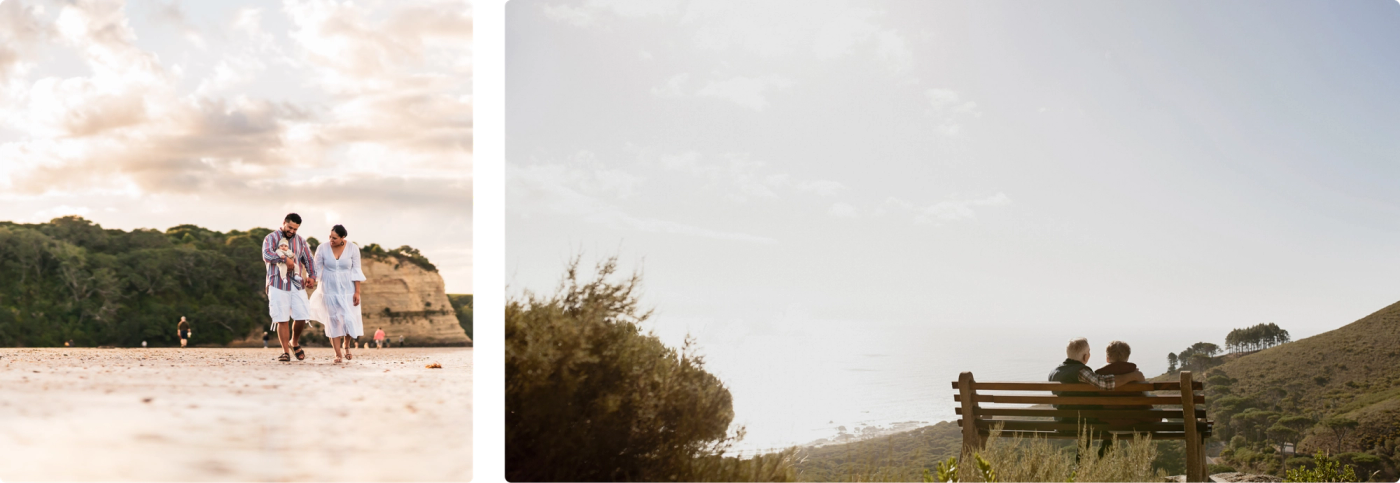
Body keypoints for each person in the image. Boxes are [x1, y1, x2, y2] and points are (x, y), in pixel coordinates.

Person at [1048, 337, 1145, 459]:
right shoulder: (1081, 371)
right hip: (1082, 421)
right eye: (1088, 352)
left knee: (1096, 425)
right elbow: (1104, 383)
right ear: (1085, 356)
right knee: (1109, 425)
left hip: (1062, 422)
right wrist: (1132, 376)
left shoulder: (1054, 372)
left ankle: (1083, 465)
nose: (1089, 355)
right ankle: (1102, 460)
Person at [263, 213, 318, 362]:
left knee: (302, 316)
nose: (292, 231)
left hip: (296, 283)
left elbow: (309, 260)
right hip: (277, 282)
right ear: (284, 223)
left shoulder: (301, 241)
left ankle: (294, 342)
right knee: (282, 318)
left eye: (295, 229)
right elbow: (267, 255)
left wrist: (312, 276)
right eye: (290, 227)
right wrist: (284, 259)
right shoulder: (271, 238)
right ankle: (285, 352)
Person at [307, 224, 365, 364]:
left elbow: (356, 270)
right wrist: (311, 280)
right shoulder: (322, 248)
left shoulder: (353, 248)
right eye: (330, 237)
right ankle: (337, 353)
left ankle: (347, 345)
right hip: (329, 289)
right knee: (333, 320)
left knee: (348, 318)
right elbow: (316, 268)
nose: (331, 240)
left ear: (342, 238)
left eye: (334, 238)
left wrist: (357, 291)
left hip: (348, 289)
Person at [1094, 341, 1158, 426]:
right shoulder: (1136, 375)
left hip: (1108, 422)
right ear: (1127, 358)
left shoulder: (1099, 377)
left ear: (1107, 358)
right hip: (1137, 422)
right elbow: (1147, 397)